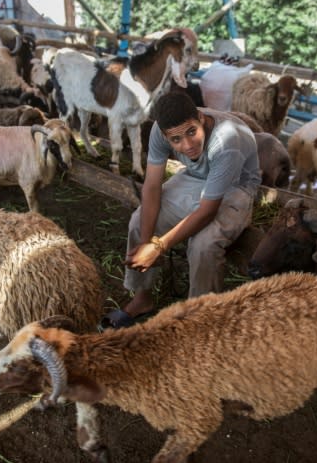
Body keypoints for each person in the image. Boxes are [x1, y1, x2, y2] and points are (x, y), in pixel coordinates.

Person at [100, 90, 261, 329]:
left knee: (203, 245)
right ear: (165, 135)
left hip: (236, 186)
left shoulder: (227, 141)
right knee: (138, 220)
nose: (187, 145)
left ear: (200, 117)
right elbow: (152, 187)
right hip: (196, 178)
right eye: (176, 140)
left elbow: (207, 210)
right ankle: (142, 298)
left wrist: (158, 246)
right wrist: (146, 244)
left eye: (191, 132)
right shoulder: (159, 130)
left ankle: (201, 317)